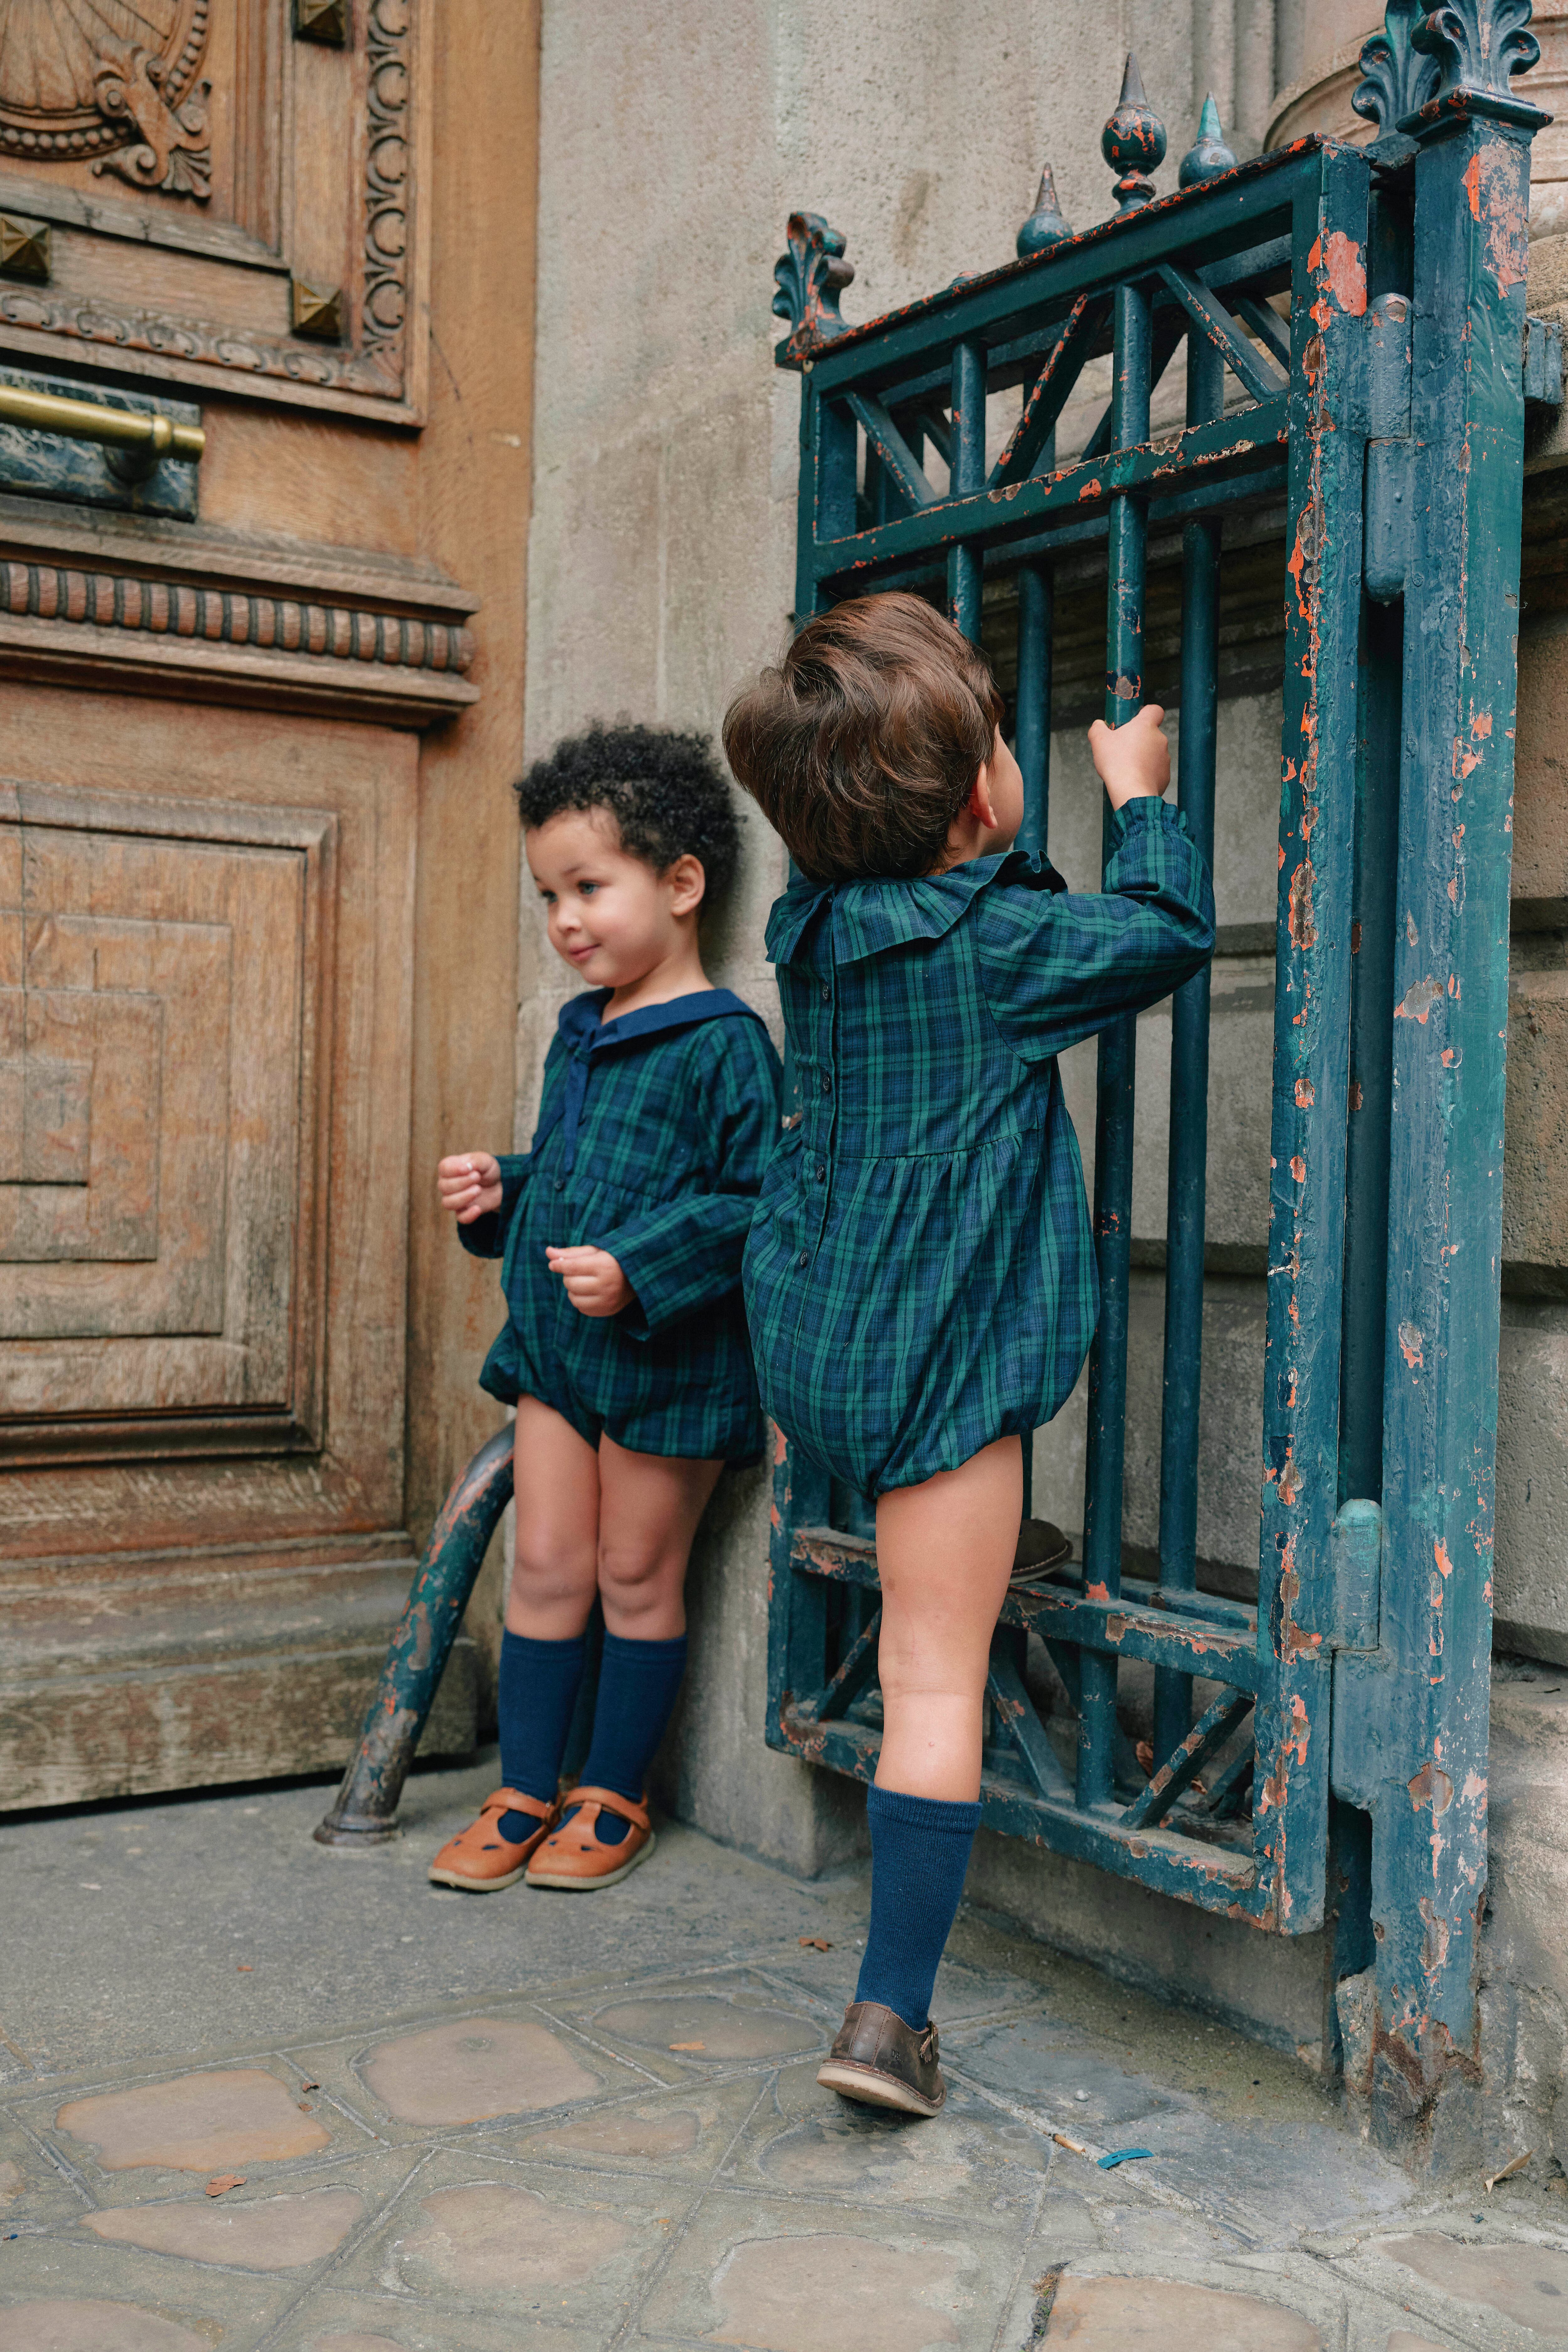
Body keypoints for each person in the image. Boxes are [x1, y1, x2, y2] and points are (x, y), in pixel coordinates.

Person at [723, 593, 1213, 2115]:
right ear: (975, 810)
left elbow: (917, 875)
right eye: (999, 747)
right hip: (937, 1365)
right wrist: (1140, 800)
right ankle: (888, 2021)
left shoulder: (805, 931)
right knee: (933, 1683)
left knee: (930, 1567)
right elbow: (1161, 935)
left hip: (817, 1337)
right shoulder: (1002, 946)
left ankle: (984, 1554)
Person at [429, 723, 781, 1894]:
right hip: (557, 1351)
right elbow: (577, 1170)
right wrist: (505, 1188)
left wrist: (641, 1264)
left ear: (682, 885)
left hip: (669, 1362)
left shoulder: (725, 1043)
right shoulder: (581, 1030)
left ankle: (614, 1792)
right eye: (549, 895)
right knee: (544, 1563)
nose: (565, 919)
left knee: (634, 1573)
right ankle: (526, 1785)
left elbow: (758, 1203)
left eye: (589, 887)